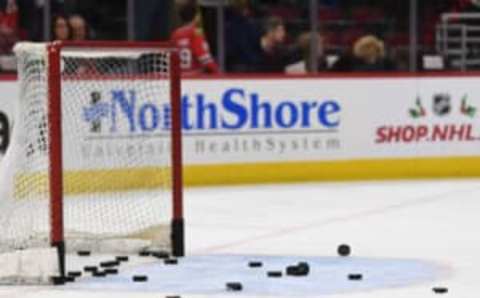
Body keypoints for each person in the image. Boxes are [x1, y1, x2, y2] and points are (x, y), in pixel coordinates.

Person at [171, 2, 219, 74]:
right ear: (196, 16)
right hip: (194, 76)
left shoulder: (175, 34)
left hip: (180, 76)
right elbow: (204, 57)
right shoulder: (195, 32)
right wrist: (218, 72)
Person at [331, 35, 396, 72]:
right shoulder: (346, 62)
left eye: (372, 47)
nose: (369, 50)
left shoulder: (387, 64)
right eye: (366, 47)